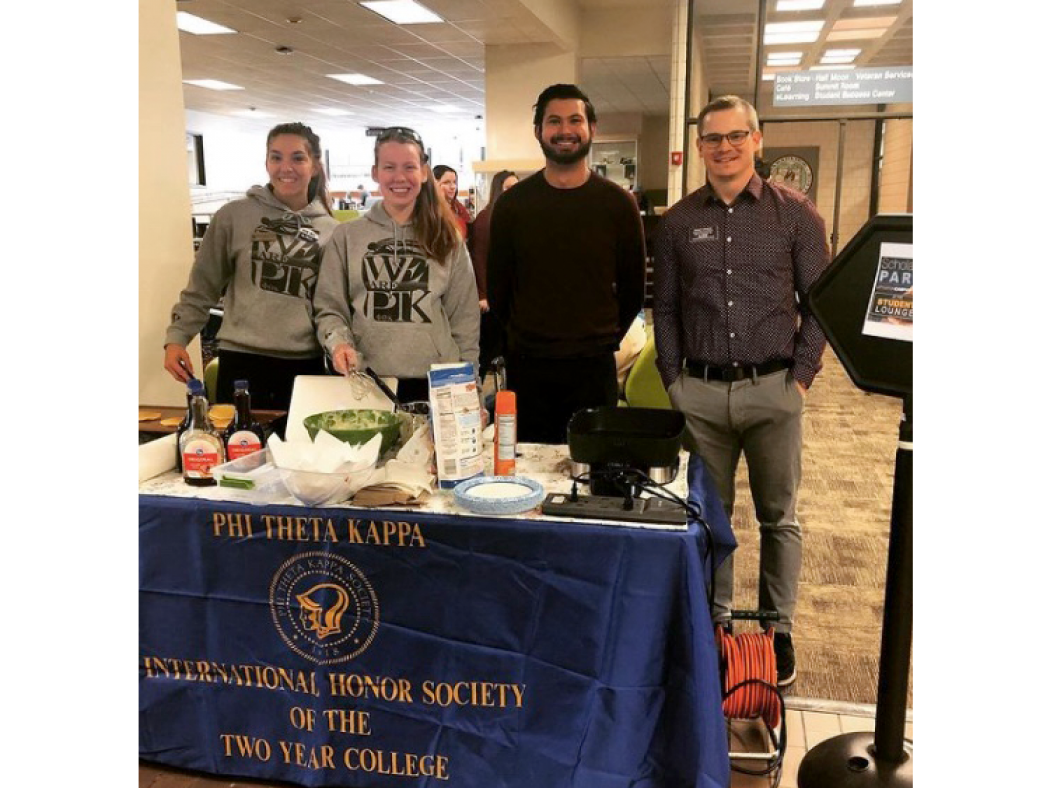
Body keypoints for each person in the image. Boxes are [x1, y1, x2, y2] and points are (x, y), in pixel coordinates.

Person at [651, 95, 831, 687]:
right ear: (699, 147)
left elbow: (821, 305)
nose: (724, 147)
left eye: (736, 136)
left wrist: (801, 377)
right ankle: (716, 624)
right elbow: (667, 310)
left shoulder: (796, 215)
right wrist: (674, 381)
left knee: (780, 518)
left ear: (757, 139)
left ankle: (779, 630)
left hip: (774, 387)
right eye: (713, 138)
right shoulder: (677, 222)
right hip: (700, 393)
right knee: (709, 519)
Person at [488, 84, 646, 444]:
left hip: (593, 367)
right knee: (528, 475)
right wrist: (523, 340)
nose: (565, 130)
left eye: (575, 120)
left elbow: (633, 290)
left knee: (593, 473)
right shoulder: (513, 207)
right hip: (528, 367)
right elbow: (498, 290)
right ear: (538, 132)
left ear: (592, 128)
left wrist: (599, 339)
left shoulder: (618, 204)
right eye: (554, 121)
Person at [163, 122, 339, 414]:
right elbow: (203, 286)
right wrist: (177, 337)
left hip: (304, 366)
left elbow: (332, 307)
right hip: (241, 362)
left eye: (298, 157)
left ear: (315, 166)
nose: (286, 167)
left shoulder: (332, 232)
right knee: (238, 454)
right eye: (276, 157)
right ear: (266, 162)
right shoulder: (234, 217)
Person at [313, 126, 480, 405]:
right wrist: (338, 343)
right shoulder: (347, 237)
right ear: (375, 172)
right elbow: (329, 308)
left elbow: (465, 322)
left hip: (436, 383)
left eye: (409, 167)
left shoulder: (447, 238)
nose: (399, 177)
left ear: (423, 172)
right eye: (389, 167)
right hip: (368, 382)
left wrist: (469, 386)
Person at [467, 169, 518, 379]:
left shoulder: (512, 215)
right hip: (491, 302)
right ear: (498, 189)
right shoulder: (486, 218)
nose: (513, 192)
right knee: (487, 355)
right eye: (508, 188)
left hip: (509, 299)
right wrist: (483, 295)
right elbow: (478, 258)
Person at [433, 164, 471, 238]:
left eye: (454, 182)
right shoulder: (430, 209)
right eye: (446, 182)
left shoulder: (458, 207)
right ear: (435, 184)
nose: (453, 187)